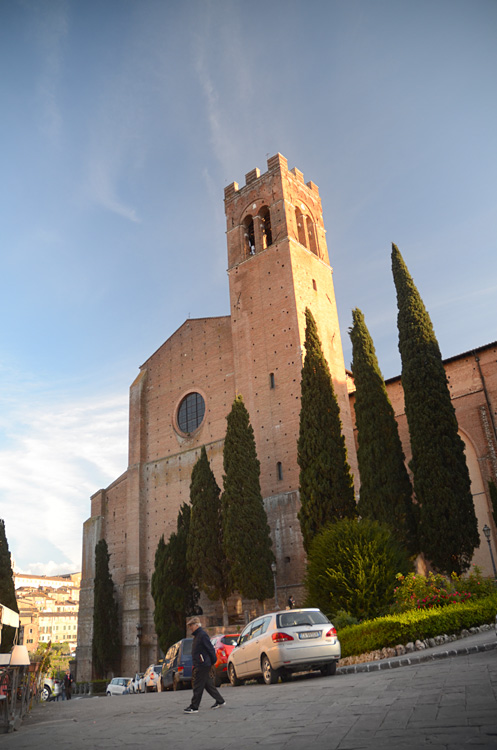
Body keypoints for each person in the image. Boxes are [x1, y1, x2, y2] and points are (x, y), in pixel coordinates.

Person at [184, 617, 225, 714]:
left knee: (198, 686)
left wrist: (212, 661)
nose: (190, 627)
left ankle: (194, 707)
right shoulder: (198, 636)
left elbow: (210, 649)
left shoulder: (202, 635)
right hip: (201, 663)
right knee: (208, 684)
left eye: (191, 625)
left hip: (203, 664)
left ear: (197, 625)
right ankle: (220, 701)